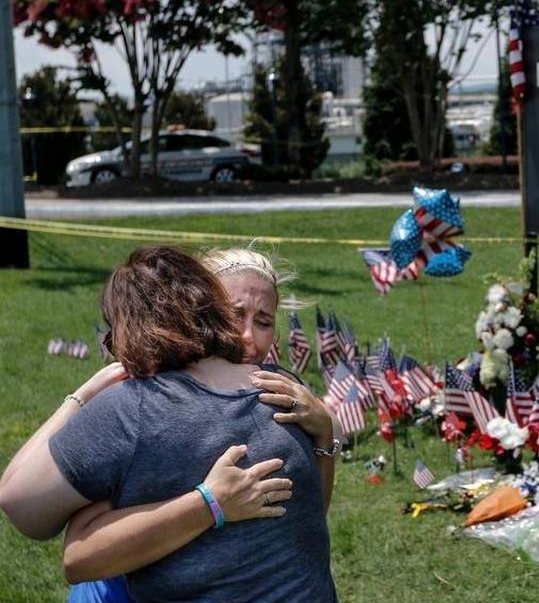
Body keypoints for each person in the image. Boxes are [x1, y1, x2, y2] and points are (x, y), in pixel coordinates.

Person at [0, 246, 339, 602]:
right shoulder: (281, 389)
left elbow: (55, 537)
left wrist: (83, 396)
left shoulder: (131, 408)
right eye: (235, 315)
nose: (247, 337)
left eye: (264, 321)